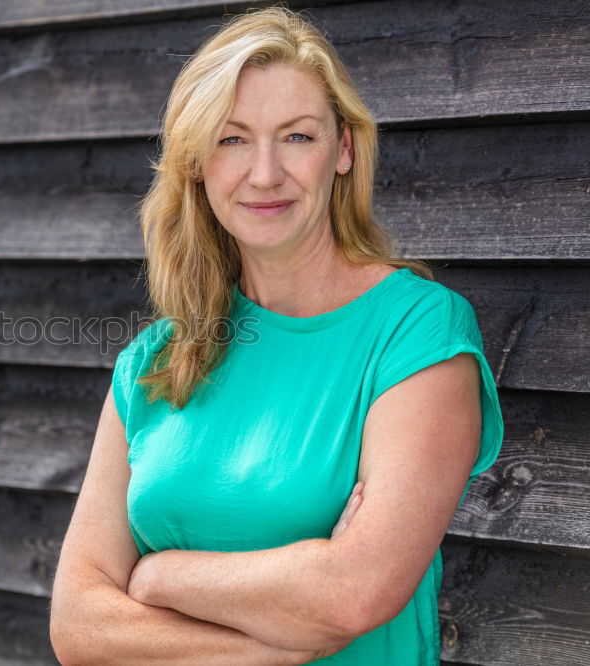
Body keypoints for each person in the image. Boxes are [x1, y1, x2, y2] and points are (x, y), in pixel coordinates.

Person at [50, 5, 504, 665]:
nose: (264, 173)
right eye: (233, 139)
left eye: (296, 136)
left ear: (343, 150)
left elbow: (354, 595)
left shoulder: (416, 331)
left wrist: (159, 577)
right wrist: (281, 644)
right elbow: (76, 626)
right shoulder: (155, 360)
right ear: (198, 164)